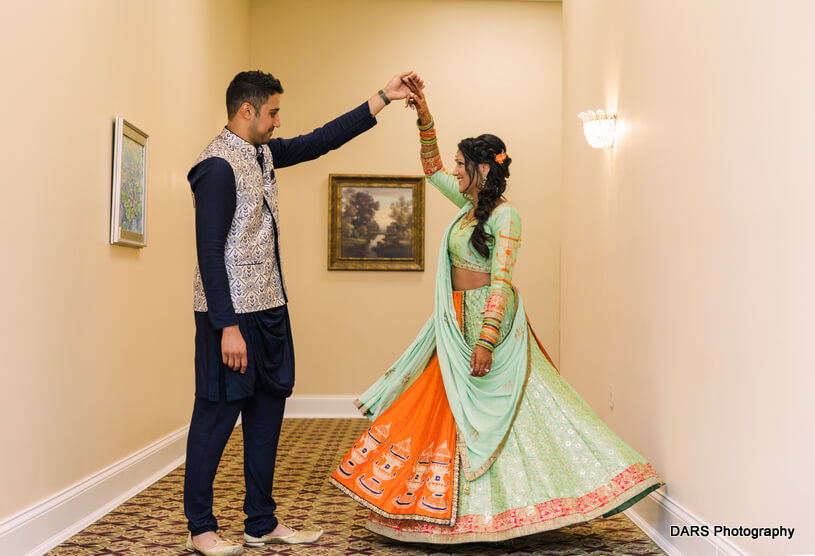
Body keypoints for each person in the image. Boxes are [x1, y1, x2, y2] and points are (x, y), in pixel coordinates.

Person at [329, 80, 664, 543]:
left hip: (490, 322)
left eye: (463, 166)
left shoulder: (506, 216)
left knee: (512, 413)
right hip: (454, 320)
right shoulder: (468, 208)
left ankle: (519, 506)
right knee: (451, 410)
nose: (456, 171)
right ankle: (451, 508)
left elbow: (501, 282)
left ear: (483, 169)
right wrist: (425, 114)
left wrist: (486, 340)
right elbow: (431, 169)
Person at [184, 69, 423, 556]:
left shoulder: (263, 153)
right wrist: (226, 325)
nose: (277, 121)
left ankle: (260, 522)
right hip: (229, 315)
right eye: (272, 112)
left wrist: (383, 97)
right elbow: (209, 251)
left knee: (268, 412)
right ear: (246, 110)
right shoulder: (216, 166)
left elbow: (321, 141)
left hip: (271, 306)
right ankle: (201, 527)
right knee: (214, 416)